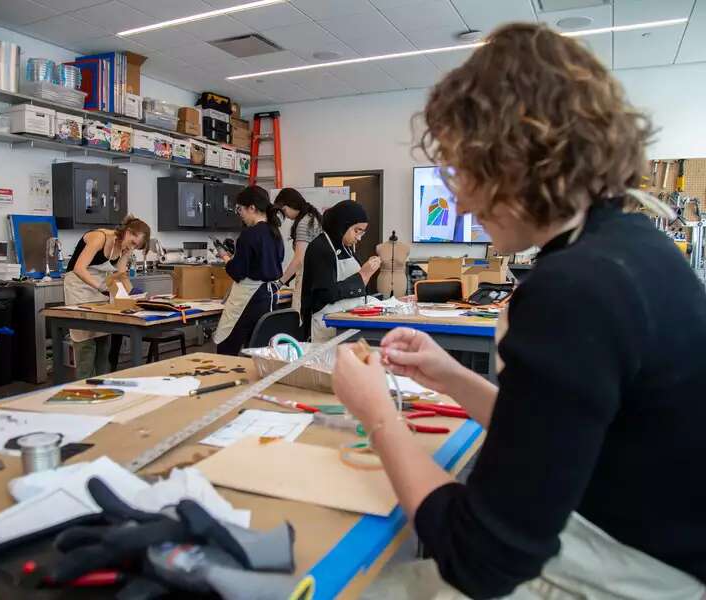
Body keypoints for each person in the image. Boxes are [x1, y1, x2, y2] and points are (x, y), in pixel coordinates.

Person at [332, 23, 706, 600]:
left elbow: (479, 558)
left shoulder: (575, 288)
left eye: (464, 173)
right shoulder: (631, 246)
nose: (457, 202)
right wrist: (450, 375)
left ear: (517, 161)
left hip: (633, 574)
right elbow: (554, 433)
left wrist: (378, 416)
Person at [63, 216, 150, 379]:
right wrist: (101, 287)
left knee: (103, 339)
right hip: (79, 287)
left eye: (135, 246)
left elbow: (120, 275)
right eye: (132, 243)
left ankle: (103, 387)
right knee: (85, 341)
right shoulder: (99, 237)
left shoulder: (125, 248)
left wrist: (134, 295)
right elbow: (79, 268)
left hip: (100, 287)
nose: (132, 247)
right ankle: (84, 390)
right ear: (128, 232)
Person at [213, 186, 284, 355]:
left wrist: (225, 257)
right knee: (257, 348)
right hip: (268, 297)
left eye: (240, 209)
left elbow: (237, 272)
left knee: (226, 346)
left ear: (251, 207)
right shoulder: (274, 232)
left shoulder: (249, 235)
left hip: (249, 298)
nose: (240, 215)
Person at [300, 200, 381, 342]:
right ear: (342, 225)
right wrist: (363, 275)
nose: (359, 238)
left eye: (362, 232)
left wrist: (365, 275)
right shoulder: (320, 248)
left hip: (347, 321)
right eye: (356, 231)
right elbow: (326, 293)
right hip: (326, 325)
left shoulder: (347, 247)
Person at [273, 188, 323, 313]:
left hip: (308, 280)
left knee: (299, 319)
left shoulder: (304, 223)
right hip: (316, 278)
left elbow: (299, 259)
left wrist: (279, 283)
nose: (286, 215)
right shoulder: (312, 218)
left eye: (284, 210)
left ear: (292, 204)